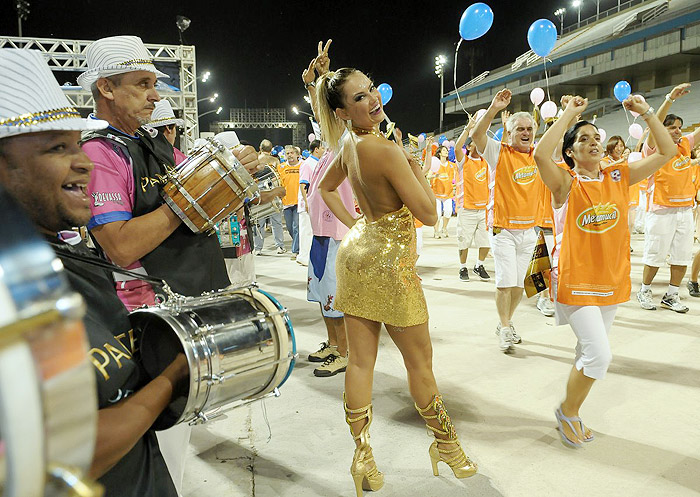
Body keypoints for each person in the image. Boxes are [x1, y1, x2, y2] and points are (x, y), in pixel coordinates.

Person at [0, 47, 187, 497]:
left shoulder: (60, 260)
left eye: (77, 144)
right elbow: (60, 457)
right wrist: (176, 375)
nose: (84, 162)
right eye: (57, 147)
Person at [76, 35, 255, 495]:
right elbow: (117, 245)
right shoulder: (100, 152)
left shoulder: (153, 144)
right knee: (162, 443)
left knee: (177, 434)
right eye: (143, 84)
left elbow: (209, 203)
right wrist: (189, 200)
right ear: (106, 89)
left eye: (155, 83)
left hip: (185, 304)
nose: (157, 95)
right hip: (147, 320)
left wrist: (235, 175)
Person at [317, 67, 477, 496]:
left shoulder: (347, 144)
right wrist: (415, 164)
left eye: (370, 89)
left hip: (357, 255)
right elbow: (427, 213)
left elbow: (327, 190)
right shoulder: (384, 149)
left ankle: (363, 456)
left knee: (360, 363)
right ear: (342, 111)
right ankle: (446, 446)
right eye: (358, 98)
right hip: (389, 267)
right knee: (419, 363)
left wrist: (357, 225)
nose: (371, 99)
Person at [534, 94, 675, 447]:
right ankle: (568, 411)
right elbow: (539, 154)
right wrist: (568, 115)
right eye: (583, 140)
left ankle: (571, 410)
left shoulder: (617, 175)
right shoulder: (565, 184)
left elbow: (666, 152)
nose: (593, 142)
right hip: (574, 280)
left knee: (587, 350)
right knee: (600, 355)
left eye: (596, 137)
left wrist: (646, 113)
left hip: (610, 279)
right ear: (570, 153)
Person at [472, 89, 539, 352]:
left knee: (519, 284)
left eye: (529, 129)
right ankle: (505, 326)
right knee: (504, 282)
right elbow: (477, 135)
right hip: (503, 229)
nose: (525, 133)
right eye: (519, 129)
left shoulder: (537, 155)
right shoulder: (498, 153)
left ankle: (506, 323)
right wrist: (493, 108)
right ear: (509, 134)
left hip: (529, 230)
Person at [636, 83, 700, 313]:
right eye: (671, 127)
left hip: (685, 209)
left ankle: (672, 295)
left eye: (679, 127)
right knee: (655, 254)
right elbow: (654, 123)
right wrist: (670, 98)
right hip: (661, 208)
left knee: (681, 257)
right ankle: (644, 289)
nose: (677, 131)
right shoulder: (653, 147)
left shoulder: (684, 144)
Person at [454, 115, 490, 282]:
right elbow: (456, 148)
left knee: (485, 242)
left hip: (484, 209)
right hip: (467, 208)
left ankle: (479, 265)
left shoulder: (486, 161)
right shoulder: (464, 161)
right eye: (474, 141)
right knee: (464, 242)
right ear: (469, 146)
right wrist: (468, 128)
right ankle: (463, 267)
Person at [297, 139, 325, 266]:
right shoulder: (307, 164)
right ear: (316, 149)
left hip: (315, 203)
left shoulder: (318, 163)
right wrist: (307, 202)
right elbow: (304, 184)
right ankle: (303, 257)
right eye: (322, 148)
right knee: (306, 231)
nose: (324, 151)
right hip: (307, 203)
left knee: (312, 231)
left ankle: (309, 256)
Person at [428, 144, 457, 238]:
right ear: (439, 153)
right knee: (438, 213)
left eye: (447, 150)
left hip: (448, 193)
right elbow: (428, 176)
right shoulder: (435, 164)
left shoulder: (452, 165)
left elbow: (457, 176)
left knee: (448, 211)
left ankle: (444, 228)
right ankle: (436, 231)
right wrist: (435, 176)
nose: (446, 152)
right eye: (444, 150)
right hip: (436, 193)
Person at [147, 99, 186, 164]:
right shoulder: (177, 157)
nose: (175, 135)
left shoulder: (142, 153)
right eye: (175, 128)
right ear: (168, 128)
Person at [279, 144, 301, 257]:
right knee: (289, 227)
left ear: (297, 154)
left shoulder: (303, 166)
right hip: (286, 203)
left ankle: (295, 250)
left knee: (296, 226)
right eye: (287, 153)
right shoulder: (281, 167)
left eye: (292, 153)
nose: (289, 155)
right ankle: (298, 244)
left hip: (299, 202)